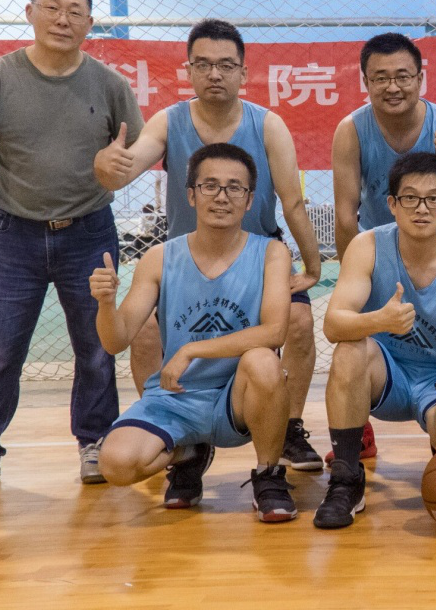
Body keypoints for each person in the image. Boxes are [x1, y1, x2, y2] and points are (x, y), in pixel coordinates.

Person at [0, 0, 144, 497]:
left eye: (75, 11)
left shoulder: (111, 84)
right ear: (30, 13)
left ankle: (95, 442)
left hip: (90, 233)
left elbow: (135, 154)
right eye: (52, 7)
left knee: (96, 348)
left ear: (90, 24)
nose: (62, 19)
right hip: (13, 234)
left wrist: (117, 166)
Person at [94, 19, 325, 476]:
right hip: (192, 260)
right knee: (144, 331)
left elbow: (293, 201)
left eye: (225, 65)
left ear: (243, 72)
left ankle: (289, 427)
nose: (214, 74)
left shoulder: (267, 124)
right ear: (188, 71)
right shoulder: (169, 121)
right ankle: (176, 428)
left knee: (298, 321)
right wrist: (106, 165)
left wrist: (313, 266)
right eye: (203, 64)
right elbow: (123, 171)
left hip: (255, 260)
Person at [91, 143, 298, 523]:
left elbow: (274, 331)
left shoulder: (271, 253)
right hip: (176, 397)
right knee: (116, 465)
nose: (222, 197)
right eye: (210, 186)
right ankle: (188, 453)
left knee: (263, 360)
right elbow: (115, 340)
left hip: (237, 398)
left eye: (234, 187)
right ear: (191, 195)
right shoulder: (159, 258)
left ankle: (268, 473)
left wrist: (191, 350)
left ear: (250, 200)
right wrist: (106, 303)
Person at [331, 32, 436, 465]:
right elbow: (345, 215)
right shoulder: (351, 130)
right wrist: (358, 276)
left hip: (435, 240)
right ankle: (353, 439)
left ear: (421, 78)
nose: (393, 86)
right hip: (376, 248)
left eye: (402, 76)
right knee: (354, 343)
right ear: (365, 82)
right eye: (380, 78)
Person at [315, 152, 436, 529]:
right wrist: (379, 320)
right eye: (410, 198)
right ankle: (347, 479)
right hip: (390, 372)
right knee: (349, 351)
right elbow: (333, 324)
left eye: (434, 199)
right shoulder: (367, 246)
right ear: (392, 204)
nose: (422, 208)